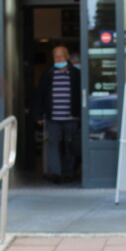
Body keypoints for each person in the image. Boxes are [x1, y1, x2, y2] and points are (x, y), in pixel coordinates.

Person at [33, 43, 82, 183]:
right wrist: (38, 115)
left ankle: (68, 173)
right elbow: (40, 95)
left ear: (67, 57)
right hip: (52, 117)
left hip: (71, 117)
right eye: (56, 56)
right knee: (52, 145)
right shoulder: (48, 74)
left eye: (61, 56)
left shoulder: (76, 74)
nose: (58, 59)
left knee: (70, 146)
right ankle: (56, 173)